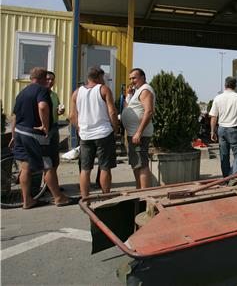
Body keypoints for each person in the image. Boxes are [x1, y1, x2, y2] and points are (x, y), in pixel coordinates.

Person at [9, 67, 73, 208]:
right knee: (48, 166)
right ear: (43, 78)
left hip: (20, 132)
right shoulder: (41, 90)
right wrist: (44, 125)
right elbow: (43, 107)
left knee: (25, 168)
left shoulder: (22, 93)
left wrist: (14, 135)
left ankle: (27, 200)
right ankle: (58, 197)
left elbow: (14, 116)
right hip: (35, 135)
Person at [70, 67, 118, 199]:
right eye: (103, 78)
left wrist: (79, 128)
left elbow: (72, 116)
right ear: (98, 77)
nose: (104, 80)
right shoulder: (103, 89)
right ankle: (105, 195)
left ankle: (85, 196)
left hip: (85, 135)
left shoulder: (77, 92)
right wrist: (116, 128)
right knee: (105, 167)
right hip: (103, 133)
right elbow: (112, 112)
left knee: (85, 168)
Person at [209, 77, 237, 177]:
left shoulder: (218, 98)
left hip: (221, 129)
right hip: (234, 130)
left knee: (224, 156)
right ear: (235, 86)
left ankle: (226, 179)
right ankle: (231, 176)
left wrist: (212, 131)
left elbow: (213, 117)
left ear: (225, 85)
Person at [121, 68, 155, 189]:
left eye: (134, 78)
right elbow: (128, 107)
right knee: (136, 164)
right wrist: (129, 95)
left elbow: (149, 111)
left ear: (143, 77)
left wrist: (139, 132)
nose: (132, 81)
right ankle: (139, 191)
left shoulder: (145, 90)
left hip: (139, 134)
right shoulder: (137, 91)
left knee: (142, 165)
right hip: (133, 133)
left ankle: (145, 196)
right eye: (130, 78)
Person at [46, 71, 65, 191]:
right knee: (45, 161)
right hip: (43, 130)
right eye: (48, 79)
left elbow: (57, 109)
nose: (50, 81)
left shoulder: (53, 95)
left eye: (52, 79)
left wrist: (60, 112)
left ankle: (51, 184)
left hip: (54, 127)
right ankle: (46, 186)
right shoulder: (39, 94)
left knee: (55, 160)